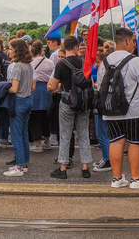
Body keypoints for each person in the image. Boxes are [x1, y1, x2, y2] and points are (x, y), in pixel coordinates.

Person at [101, 27, 139, 189]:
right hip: (133, 109)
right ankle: (136, 179)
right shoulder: (135, 61)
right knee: (135, 142)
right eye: (133, 41)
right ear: (126, 41)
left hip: (111, 108)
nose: (134, 45)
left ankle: (117, 178)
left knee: (116, 141)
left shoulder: (105, 61)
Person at [49, 36, 99, 179]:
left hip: (67, 102)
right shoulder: (85, 63)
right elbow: (90, 82)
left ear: (64, 47)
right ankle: (85, 168)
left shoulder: (61, 64)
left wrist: (57, 88)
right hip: (83, 103)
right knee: (83, 135)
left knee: (65, 134)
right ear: (76, 47)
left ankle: (63, 168)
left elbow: (53, 86)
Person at [3, 39, 35, 177]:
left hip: (19, 102)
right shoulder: (28, 65)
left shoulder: (16, 66)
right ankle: (24, 163)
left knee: (16, 136)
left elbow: (14, 88)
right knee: (24, 135)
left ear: (17, 50)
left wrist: (4, 88)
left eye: (10, 48)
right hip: (28, 100)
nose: (8, 51)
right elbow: (32, 87)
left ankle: (19, 166)